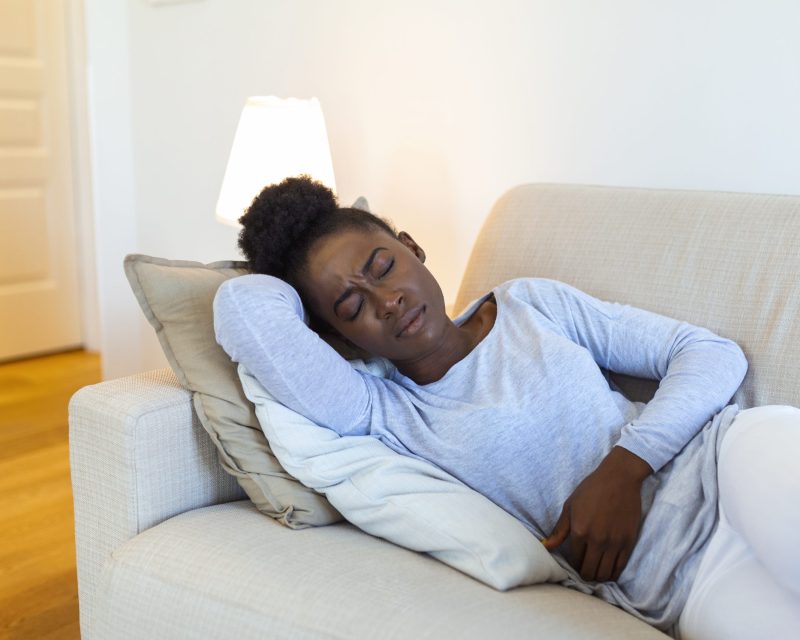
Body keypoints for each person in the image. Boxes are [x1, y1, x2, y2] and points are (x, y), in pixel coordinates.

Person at [213, 175, 800, 639]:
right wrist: (285, 268)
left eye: (383, 266)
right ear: (340, 339)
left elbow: (710, 354)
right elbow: (243, 306)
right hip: (682, 587)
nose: (386, 301)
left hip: (732, 465)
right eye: (350, 305)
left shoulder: (527, 304)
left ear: (413, 248)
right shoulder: (382, 411)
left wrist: (626, 467)